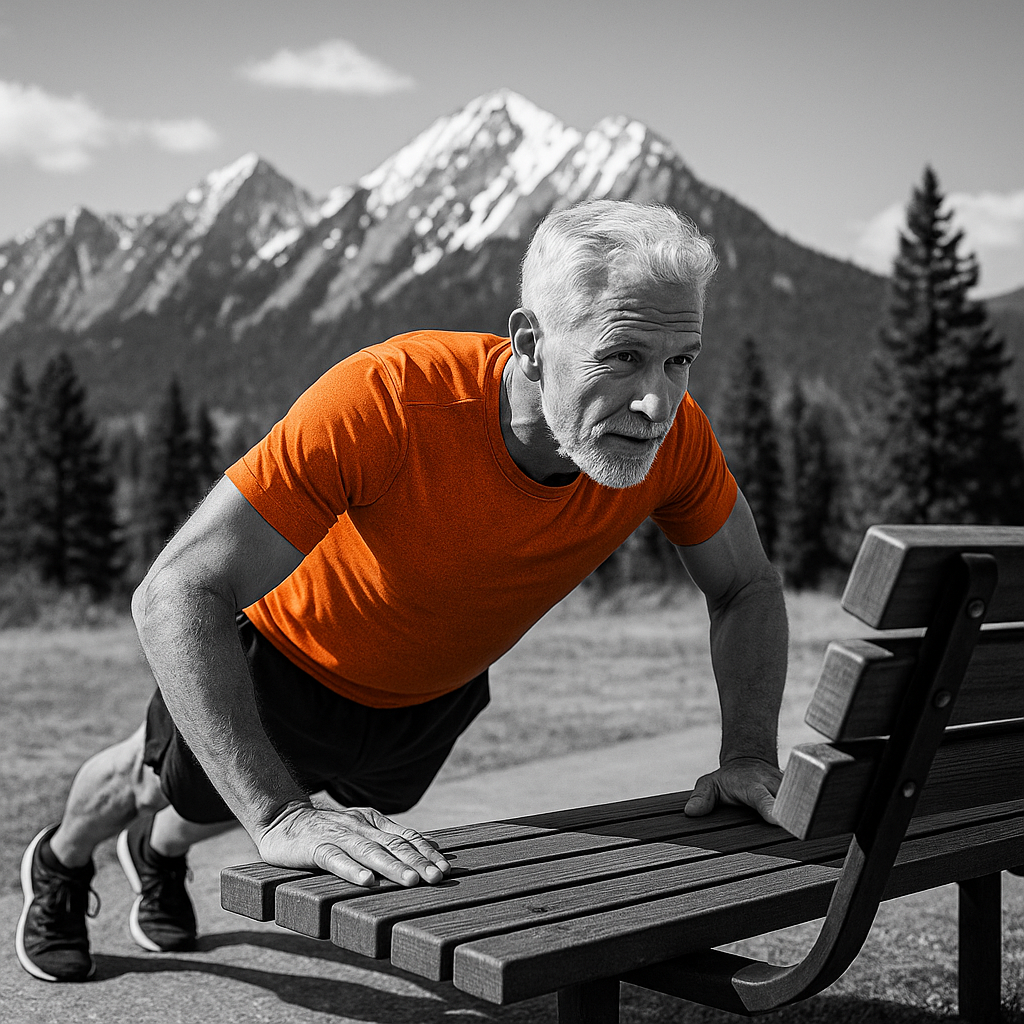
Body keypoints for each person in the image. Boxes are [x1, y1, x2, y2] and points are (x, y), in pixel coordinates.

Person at [16, 199, 787, 984]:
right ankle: (62, 859)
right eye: (621, 357)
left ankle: (157, 851)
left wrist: (750, 755)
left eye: (680, 360)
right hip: (281, 665)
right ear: (530, 345)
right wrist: (280, 815)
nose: (657, 403)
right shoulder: (391, 398)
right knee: (154, 783)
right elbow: (175, 592)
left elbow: (747, 587)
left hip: (430, 700)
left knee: (213, 814)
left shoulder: (676, 438)